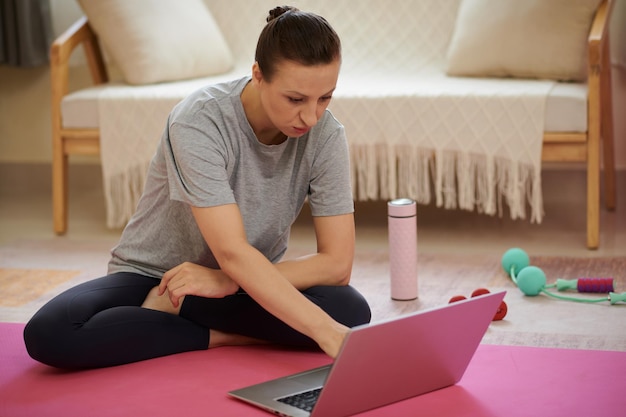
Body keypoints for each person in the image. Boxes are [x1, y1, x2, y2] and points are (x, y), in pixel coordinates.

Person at [23, 6, 372, 370]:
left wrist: (224, 281)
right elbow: (233, 251)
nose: (311, 117)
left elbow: (336, 264)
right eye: (295, 99)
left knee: (350, 308)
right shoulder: (199, 120)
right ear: (258, 75)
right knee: (51, 331)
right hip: (152, 277)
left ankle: (189, 327)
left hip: (237, 284)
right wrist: (326, 333)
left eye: (325, 97)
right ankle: (225, 335)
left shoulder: (326, 135)